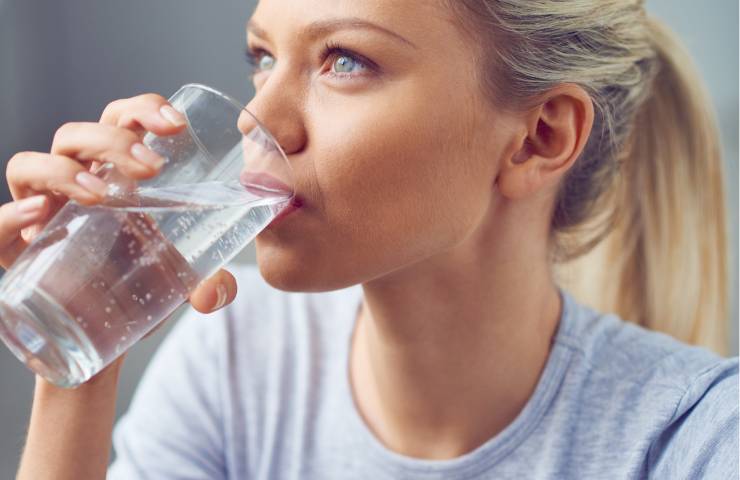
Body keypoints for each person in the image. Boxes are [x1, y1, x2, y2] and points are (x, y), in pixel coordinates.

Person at [9, 0, 738, 478]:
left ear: (538, 139)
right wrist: (83, 350)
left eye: (345, 62)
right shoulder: (238, 361)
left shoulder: (694, 440)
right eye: (262, 58)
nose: (259, 119)